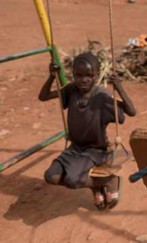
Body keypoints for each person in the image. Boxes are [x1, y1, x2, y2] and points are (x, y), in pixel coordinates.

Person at [39, 53, 136, 210]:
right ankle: (95, 185)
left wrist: (119, 88)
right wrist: (52, 76)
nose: (83, 80)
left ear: (97, 75)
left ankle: (110, 181)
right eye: (78, 75)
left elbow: (131, 111)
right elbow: (43, 96)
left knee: (72, 180)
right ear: (73, 74)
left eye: (89, 76)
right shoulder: (71, 90)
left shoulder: (102, 97)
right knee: (51, 176)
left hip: (95, 150)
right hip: (75, 149)